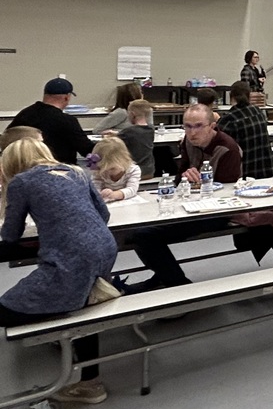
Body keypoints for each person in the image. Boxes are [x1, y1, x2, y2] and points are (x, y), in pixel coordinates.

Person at [0, 138, 118, 405]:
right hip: (103, 249)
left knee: (6, 310)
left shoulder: (22, 182)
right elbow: (103, 214)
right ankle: (90, 380)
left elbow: (10, 235)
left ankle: (62, 335)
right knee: (86, 302)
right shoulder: (76, 172)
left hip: (73, 259)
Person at [125, 105, 245, 291]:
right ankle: (165, 275)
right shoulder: (188, 143)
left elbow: (226, 193)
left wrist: (198, 182)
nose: (192, 132)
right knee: (136, 228)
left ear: (212, 126)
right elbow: (178, 178)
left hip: (214, 212)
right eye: (187, 126)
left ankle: (178, 286)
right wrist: (186, 177)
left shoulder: (227, 148)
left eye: (198, 126)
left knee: (145, 235)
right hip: (187, 204)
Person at [9, 78, 93, 165]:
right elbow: (86, 149)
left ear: (45, 94)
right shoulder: (66, 121)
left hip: (22, 168)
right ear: (66, 98)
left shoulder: (24, 114)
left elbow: (8, 138)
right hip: (60, 170)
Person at [218, 81, 273, 179]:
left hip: (245, 173)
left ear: (231, 96)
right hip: (266, 169)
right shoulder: (258, 111)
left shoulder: (229, 118)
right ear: (249, 95)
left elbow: (217, 141)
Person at [89, 136, 141, 201]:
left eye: (112, 169)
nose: (108, 172)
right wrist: (100, 193)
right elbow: (94, 188)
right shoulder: (99, 171)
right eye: (103, 169)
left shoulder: (133, 170)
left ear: (124, 160)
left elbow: (132, 189)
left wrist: (115, 194)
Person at [119, 99, 156, 179]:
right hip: (149, 170)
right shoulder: (151, 129)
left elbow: (115, 142)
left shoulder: (128, 132)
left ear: (132, 114)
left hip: (133, 171)